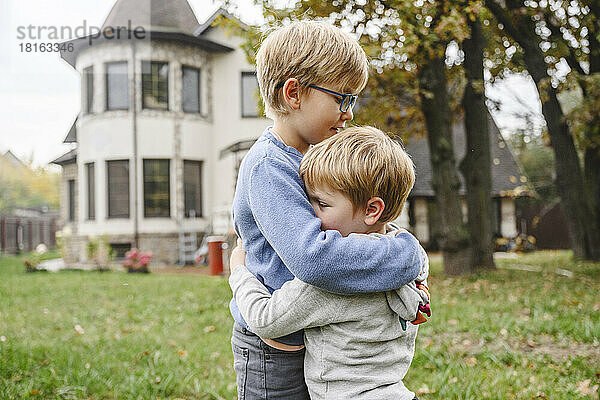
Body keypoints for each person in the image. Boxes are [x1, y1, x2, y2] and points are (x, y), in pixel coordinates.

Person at [230, 21, 425, 400]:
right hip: (274, 350)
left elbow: (361, 223)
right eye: (342, 99)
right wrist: (406, 256)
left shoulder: (317, 156)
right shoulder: (269, 166)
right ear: (293, 93)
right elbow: (314, 258)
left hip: (319, 341)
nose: (349, 113)